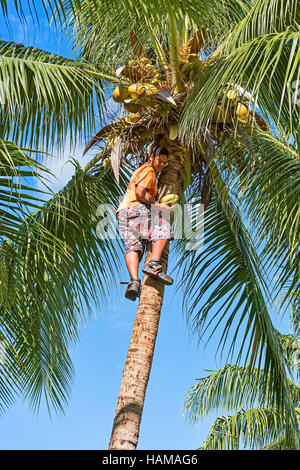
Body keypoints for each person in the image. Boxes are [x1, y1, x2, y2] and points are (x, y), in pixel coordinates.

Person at [116, 144, 175, 301]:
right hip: (135, 209)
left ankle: (134, 281)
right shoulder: (148, 170)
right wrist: (157, 204)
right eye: (160, 161)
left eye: (164, 163)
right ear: (151, 158)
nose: (162, 165)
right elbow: (140, 191)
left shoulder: (140, 170)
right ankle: (154, 264)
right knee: (163, 227)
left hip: (123, 214)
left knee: (133, 247)